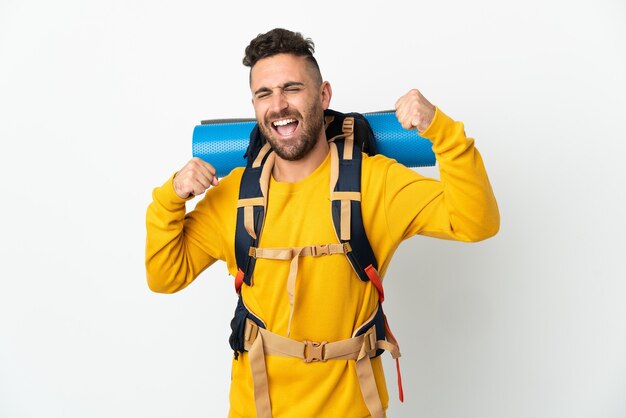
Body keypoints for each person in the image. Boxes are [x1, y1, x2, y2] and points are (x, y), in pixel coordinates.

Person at [145, 28, 499, 418]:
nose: (278, 105)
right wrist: (171, 197)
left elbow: (475, 221)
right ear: (254, 105)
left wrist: (441, 131)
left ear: (324, 95)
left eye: (292, 88)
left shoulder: (374, 182)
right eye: (265, 94)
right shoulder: (233, 195)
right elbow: (164, 276)